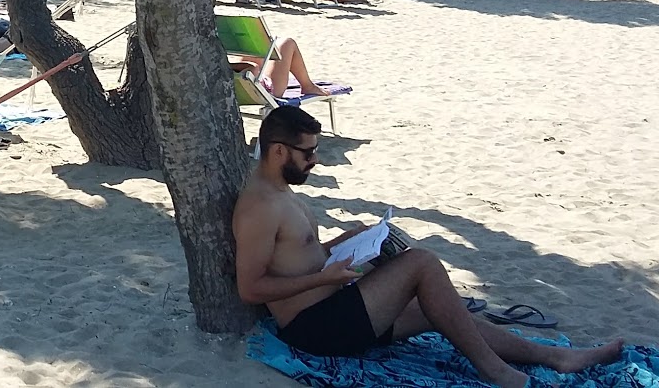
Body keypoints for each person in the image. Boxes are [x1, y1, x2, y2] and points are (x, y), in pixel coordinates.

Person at [234, 107, 623, 387]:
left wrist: (346, 241)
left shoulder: (280, 191)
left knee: (438, 310)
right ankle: (495, 371)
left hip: (332, 307)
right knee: (422, 263)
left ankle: (556, 357)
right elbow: (250, 289)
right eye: (308, 153)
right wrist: (327, 275)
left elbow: (295, 258)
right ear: (279, 150)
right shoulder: (259, 208)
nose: (316, 161)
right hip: (315, 328)